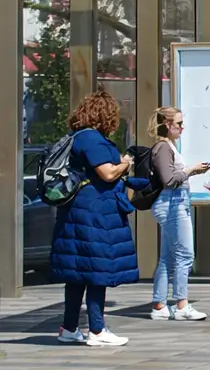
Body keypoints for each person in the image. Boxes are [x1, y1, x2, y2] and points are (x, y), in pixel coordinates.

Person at [50, 90, 148, 347]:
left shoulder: (76, 137)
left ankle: (69, 328)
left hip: (76, 212)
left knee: (78, 273)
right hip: (93, 214)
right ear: (105, 115)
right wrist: (125, 163)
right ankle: (97, 330)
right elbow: (106, 173)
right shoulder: (92, 139)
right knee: (96, 270)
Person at [146, 106, 210, 321]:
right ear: (167, 124)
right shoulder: (163, 147)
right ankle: (181, 305)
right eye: (179, 123)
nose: (182, 127)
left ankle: (159, 305)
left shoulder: (168, 146)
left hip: (173, 203)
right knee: (185, 255)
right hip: (172, 203)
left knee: (168, 256)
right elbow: (170, 180)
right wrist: (192, 170)